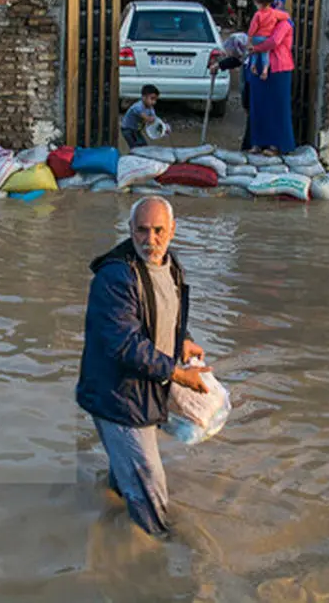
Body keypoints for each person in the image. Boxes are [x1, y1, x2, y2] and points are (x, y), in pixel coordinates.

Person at [76, 196, 213, 537]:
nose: (150, 240)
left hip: (144, 389)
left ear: (173, 231)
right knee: (151, 487)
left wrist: (183, 339)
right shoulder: (115, 278)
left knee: (127, 478)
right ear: (130, 229)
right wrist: (180, 374)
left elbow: (165, 312)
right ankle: (158, 555)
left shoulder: (170, 264)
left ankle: (110, 519)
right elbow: (125, 344)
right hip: (119, 397)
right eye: (142, 230)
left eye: (158, 231)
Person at [246, 0, 297, 155]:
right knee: (259, 106)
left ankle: (277, 144)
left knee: (277, 106)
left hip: (279, 68)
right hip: (260, 66)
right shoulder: (262, 20)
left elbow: (274, 42)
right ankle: (257, 142)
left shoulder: (285, 23)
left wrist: (255, 48)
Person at [121, 84, 161, 149]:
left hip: (136, 130)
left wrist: (164, 127)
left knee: (143, 146)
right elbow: (147, 118)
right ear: (143, 97)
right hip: (128, 129)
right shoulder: (138, 107)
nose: (154, 102)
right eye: (152, 99)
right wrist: (153, 121)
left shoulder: (150, 108)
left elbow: (155, 119)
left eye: (155, 100)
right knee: (135, 148)